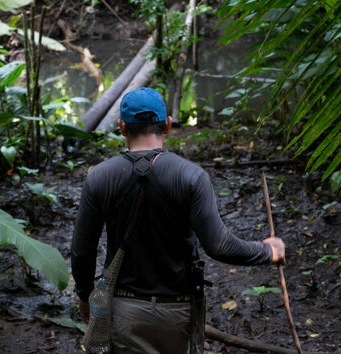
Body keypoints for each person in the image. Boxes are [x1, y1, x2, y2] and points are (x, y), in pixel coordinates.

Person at [71, 87, 285, 353]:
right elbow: (219, 245)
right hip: (179, 310)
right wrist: (268, 250)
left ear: (122, 127)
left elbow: (82, 251)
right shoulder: (191, 176)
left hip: (124, 309)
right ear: (168, 125)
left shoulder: (100, 177)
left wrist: (84, 296)